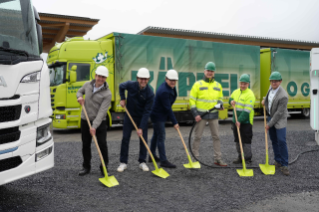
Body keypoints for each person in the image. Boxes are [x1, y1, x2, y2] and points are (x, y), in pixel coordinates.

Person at [189, 61, 227, 167]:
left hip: (214, 115)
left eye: (212, 71)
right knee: (197, 137)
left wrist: (220, 104)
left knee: (216, 137)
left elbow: (220, 98)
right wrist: (195, 114)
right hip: (201, 116)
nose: (210, 72)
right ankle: (195, 159)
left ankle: (218, 159)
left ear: (214, 72)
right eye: (208, 70)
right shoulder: (198, 84)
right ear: (204, 71)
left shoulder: (218, 85)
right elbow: (192, 100)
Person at [117, 68, 154, 172]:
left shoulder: (150, 93)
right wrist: (122, 98)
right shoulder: (130, 85)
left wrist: (141, 127)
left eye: (145, 79)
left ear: (148, 79)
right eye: (141, 78)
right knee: (125, 138)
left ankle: (142, 162)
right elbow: (121, 86)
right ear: (137, 78)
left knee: (143, 139)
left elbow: (147, 112)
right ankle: (123, 162)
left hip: (142, 117)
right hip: (130, 115)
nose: (143, 81)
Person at [76, 66, 112, 176]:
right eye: (99, 76)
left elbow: (102, 112)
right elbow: (79, 91)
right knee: (86, 144)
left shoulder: (107, 94)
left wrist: (94, 126)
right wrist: (79, 97)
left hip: (99, 122)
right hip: (85, 119)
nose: (100, 78)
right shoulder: (87, 85)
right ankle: (86, 166)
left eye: (103, 77)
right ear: (95, 75)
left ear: (105, 78)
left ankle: (104, 167)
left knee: (102, 144)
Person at [149, 69, 179, 168]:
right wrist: (175, 122)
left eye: (175, 80)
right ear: (166, 79)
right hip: (157, 115)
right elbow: (168, 108)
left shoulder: (171, 87)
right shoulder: (164, 91)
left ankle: (151, 155)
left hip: (161, 113)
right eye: (171, 80)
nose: (173, 81)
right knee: (161, 136)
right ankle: (163, 160)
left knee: (156, 135)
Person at [262, 71, 289, 176]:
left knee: (281, 141)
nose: (274, 83)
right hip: (270, 116)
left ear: (280, 81)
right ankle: (278, 160)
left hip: (279, 120)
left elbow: (279, 113)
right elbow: (269, 98)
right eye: (272, 81)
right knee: (273, 140)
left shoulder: (283, 96)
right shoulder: (270, 88)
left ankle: (285, 165)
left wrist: (269, 124)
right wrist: (265, 101)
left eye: (276, 81)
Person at [229, 74, 256, 164]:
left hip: (246, 122)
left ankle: (247, 158)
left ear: (248, 84)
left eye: (244, 84)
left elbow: (246, 111)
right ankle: (240, 157)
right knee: (237, 140)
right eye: (241, 83)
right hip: (235, 121)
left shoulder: (250, 95)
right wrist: (231, 101)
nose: (242, 85)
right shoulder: (236, 92)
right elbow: (231, 98)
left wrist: (239, 120)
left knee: (246, 141)